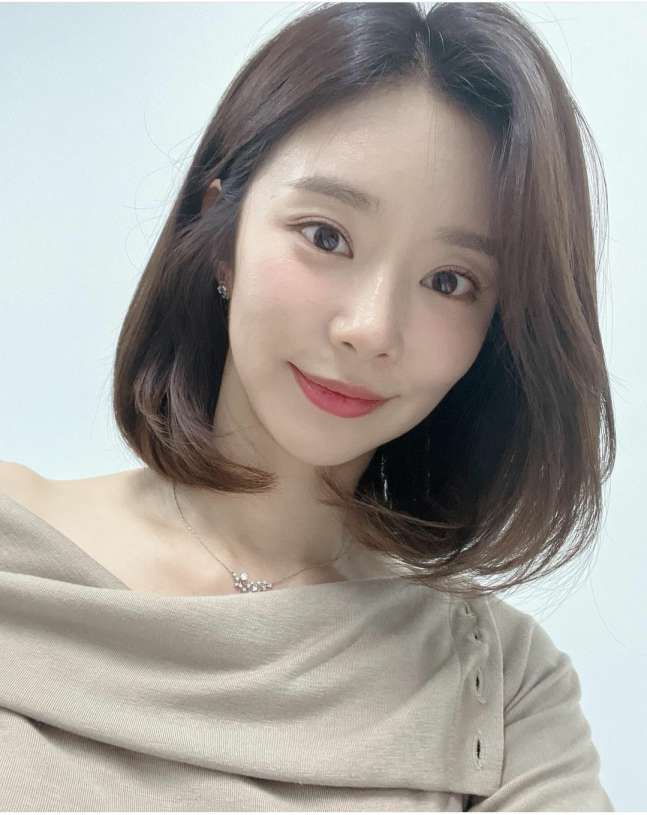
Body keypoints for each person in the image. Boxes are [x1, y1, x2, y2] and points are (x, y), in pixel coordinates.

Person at [0, 1, 615, 810]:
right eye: (325, 236)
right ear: (219, 234)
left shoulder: (498, 688)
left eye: (448, 281)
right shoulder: (17, 552)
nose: (370, 328)